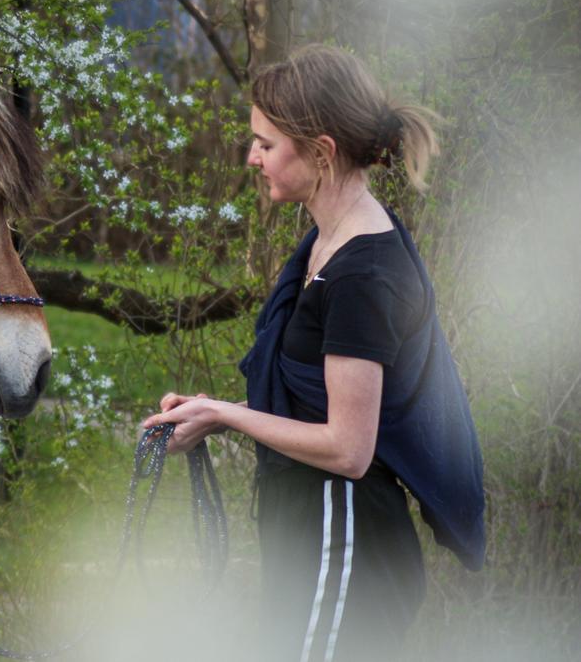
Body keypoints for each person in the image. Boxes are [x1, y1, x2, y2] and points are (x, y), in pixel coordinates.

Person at [143, 45, 485, 662]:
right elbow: (314, 396)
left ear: (321, 152)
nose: (252, 157)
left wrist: (224, 415)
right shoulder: (325, 243)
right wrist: (206, 410)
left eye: (266, 144)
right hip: (315, 540)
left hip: (344, 547)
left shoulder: (362, 274)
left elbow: (349, 450)